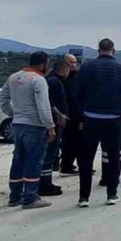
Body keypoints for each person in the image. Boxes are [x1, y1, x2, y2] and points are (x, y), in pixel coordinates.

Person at [75, 39, 121, 207]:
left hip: (91, 117)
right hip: (113, 119)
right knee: (113, 156)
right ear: (113, 51)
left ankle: (84, 197)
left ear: (98, 51)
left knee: (86, 158)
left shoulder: (87, 67)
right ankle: (111, 194)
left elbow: (78, 92)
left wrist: (83, 112)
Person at [0, 51, 56, 209]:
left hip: (17, 125)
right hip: (34, 126)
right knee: (34, 160)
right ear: (43, 64)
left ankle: (15, 196)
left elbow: (1, 99)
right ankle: (30, 198)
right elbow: (43, 106)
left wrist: (14, 114)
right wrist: (50, 126)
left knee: (18, 160)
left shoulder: (14, 77)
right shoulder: (38, 80)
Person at [39, 61, 69, 197]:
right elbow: (50, 102)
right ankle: (45, 184)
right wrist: (59, 114)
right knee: (50, 153)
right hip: (53, 122)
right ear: (63, 70)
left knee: (51, 152)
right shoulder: (54, 82)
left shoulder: (52, 80)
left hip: (54, 121)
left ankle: (46, 182)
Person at [59, 54, 83, 176]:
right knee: (67, 142)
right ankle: (66, 165)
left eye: (74, 62)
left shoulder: (78, 76)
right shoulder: (62, 78)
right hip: (65, 116)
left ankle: (79, 164)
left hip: (77, 115)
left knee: (79, 141)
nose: (73, 65)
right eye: (70, 62)